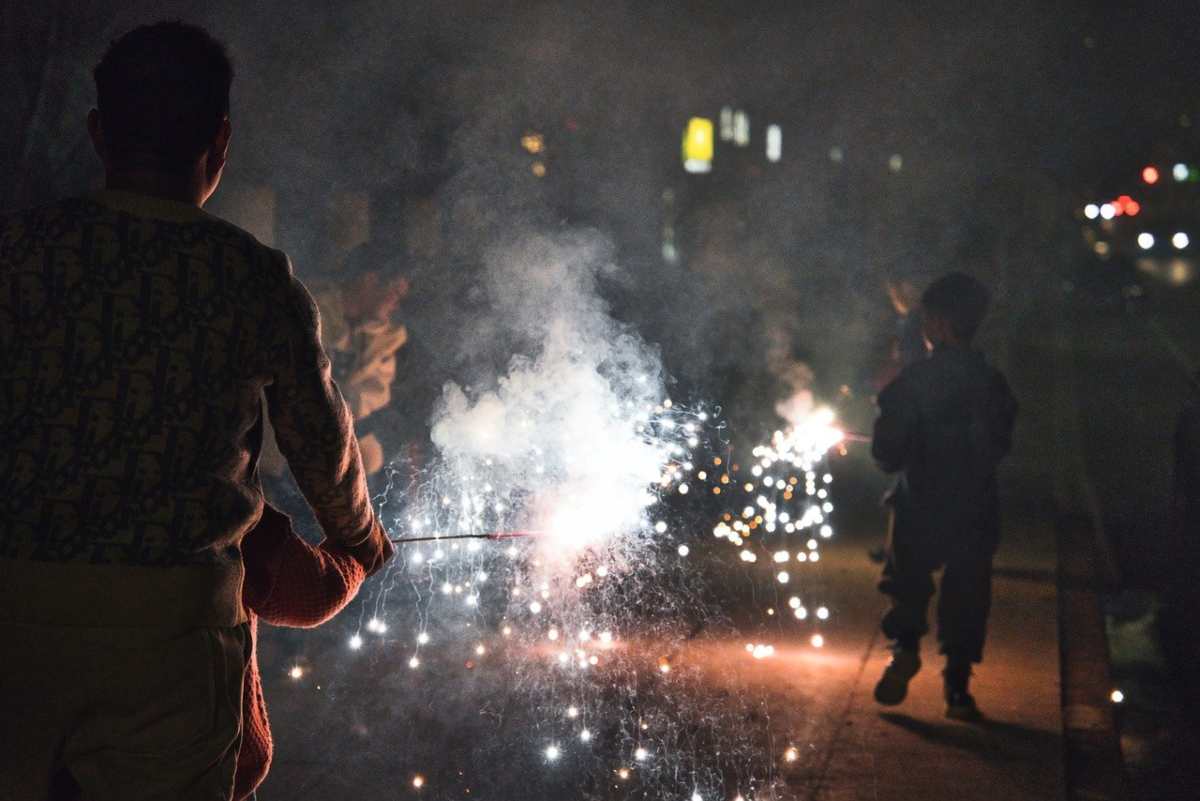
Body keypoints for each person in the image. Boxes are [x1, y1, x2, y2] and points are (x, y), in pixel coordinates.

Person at [0, 21, 392, 800]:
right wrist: (362, 539)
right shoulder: (252, 277)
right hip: (170, 644)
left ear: (99, 134)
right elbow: (321, 442)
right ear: (218, 142)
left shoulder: (19, 251)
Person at [869, 272, 1017, 720]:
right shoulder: (993, 383)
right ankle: (957, 686)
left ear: (936, 324)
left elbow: (886, 454)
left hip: (922, 502)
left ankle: (905, 648)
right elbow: (999, 446)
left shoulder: (913, 383)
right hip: (975, 505)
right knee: (968, 588)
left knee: (908, 577)